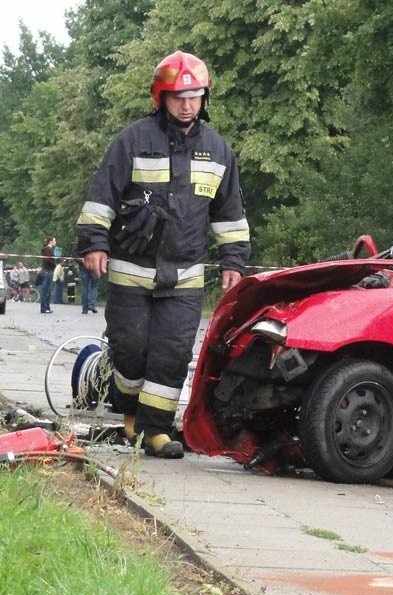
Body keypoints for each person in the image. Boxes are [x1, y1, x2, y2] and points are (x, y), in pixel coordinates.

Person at [75, 50, 250, 459]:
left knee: (171, 356)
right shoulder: (132, 140)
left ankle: (153, 431)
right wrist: (95, 244)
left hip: (184, 277)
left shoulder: (219, 151)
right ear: (161, 97)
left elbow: (230, 213)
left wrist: (233, 262)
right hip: (130, 272)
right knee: (131, 350)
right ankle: (130, 412)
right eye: (178, 97)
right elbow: (101, 198)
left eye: (195, 96)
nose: (187, 104)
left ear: (205, 98)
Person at [39, 236, 56, 313]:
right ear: (50, 242)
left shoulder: (50, 249)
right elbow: (47, 260)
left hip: (49, 271)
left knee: (48, 291)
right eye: (54, 241)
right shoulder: (47, 249)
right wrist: (54, 263)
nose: (55, 242)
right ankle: (43, 308)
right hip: (47, 271)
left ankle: (47, 307)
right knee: (45, 290)